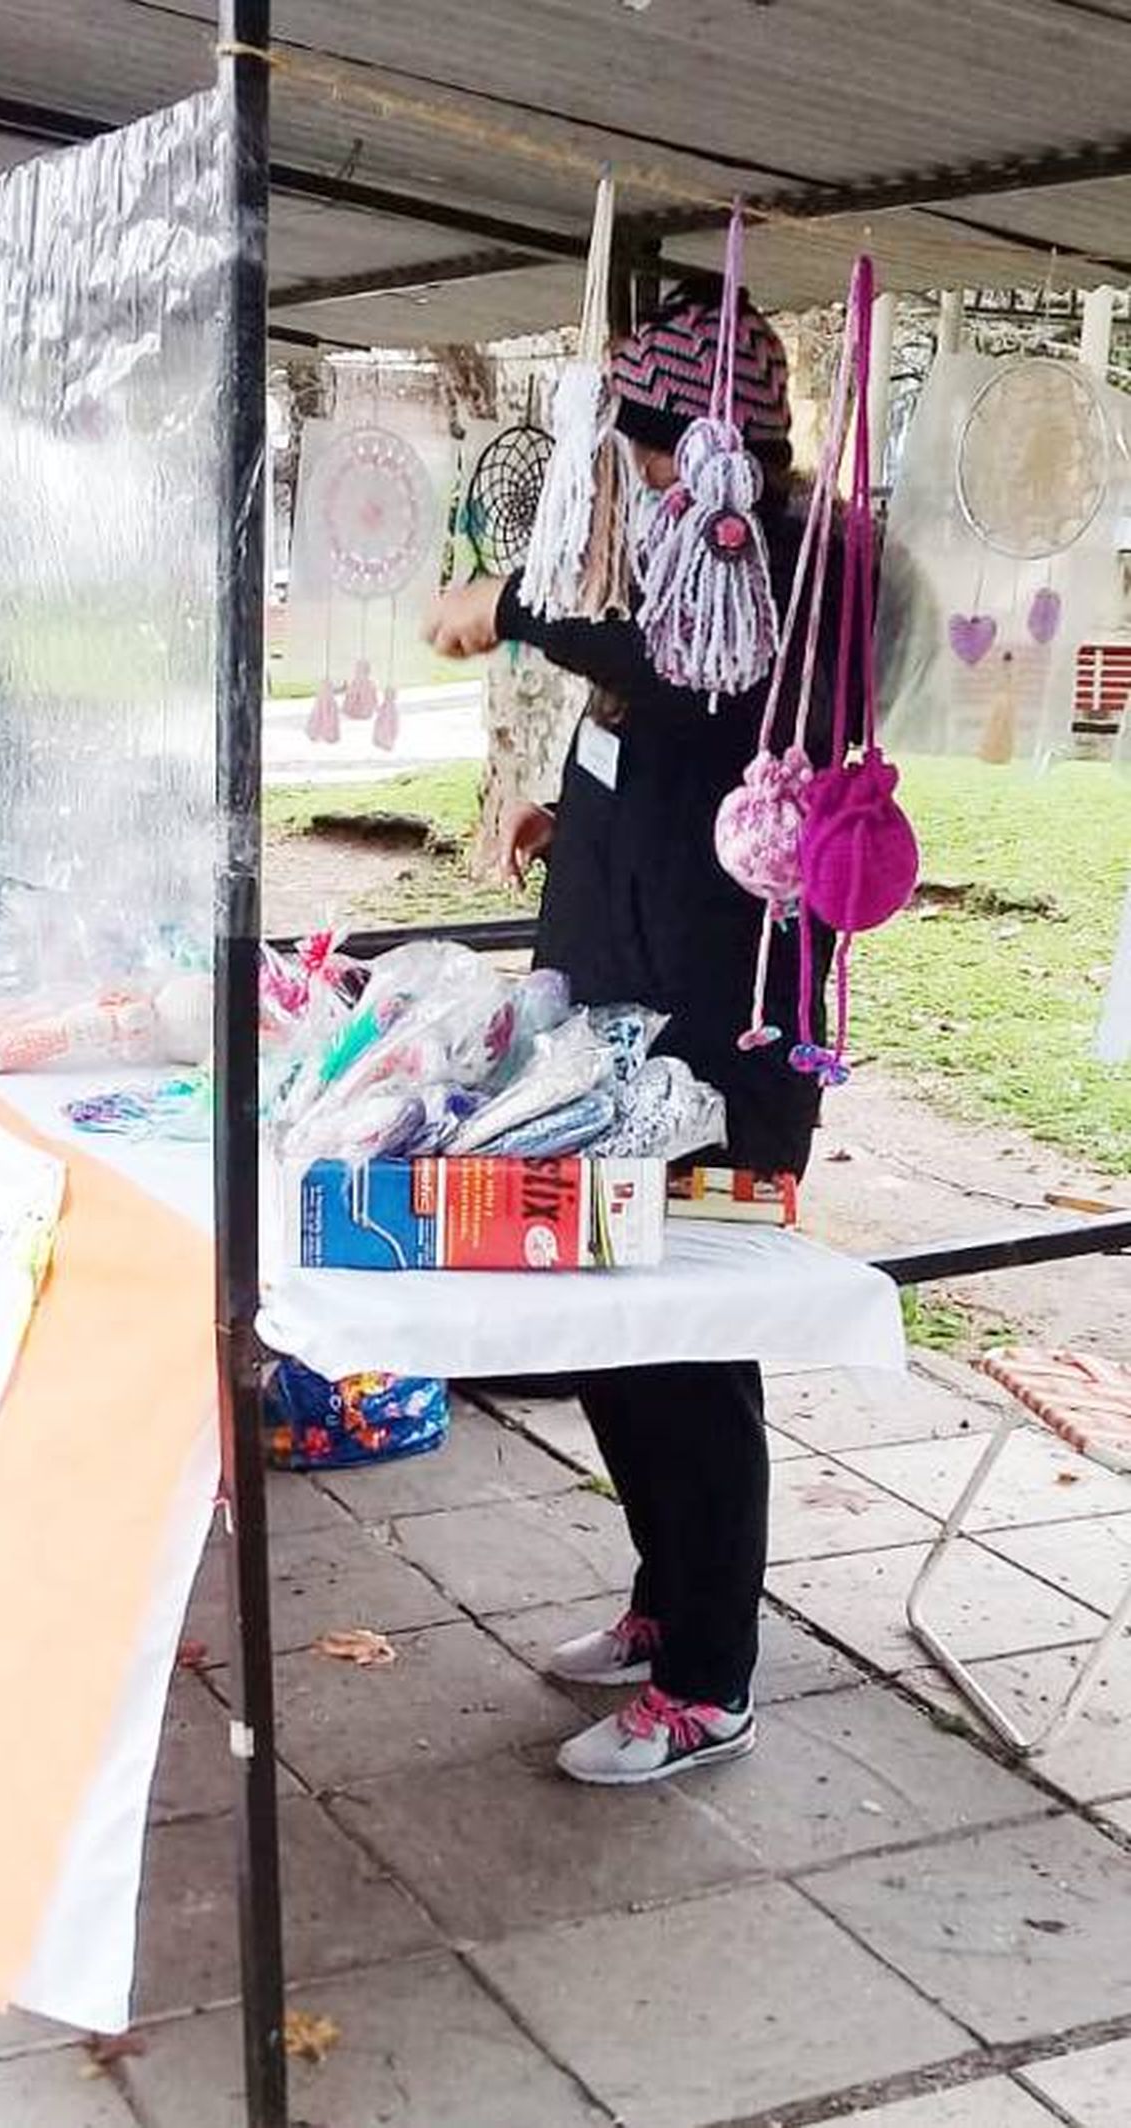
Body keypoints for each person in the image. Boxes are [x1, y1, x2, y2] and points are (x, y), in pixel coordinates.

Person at [425, 283, 844, 1786]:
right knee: (606, 1326)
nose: (644, 481)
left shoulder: (797, 558)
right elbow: (653, 723)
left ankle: (715, 1674)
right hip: (619, 1011)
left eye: (653, 451)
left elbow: (700, 685)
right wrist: (575, 822)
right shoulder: (684, 546)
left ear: (707, 441)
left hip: (722, 1045)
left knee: (689, 1342)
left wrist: (519, 604)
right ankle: (670, 1606)